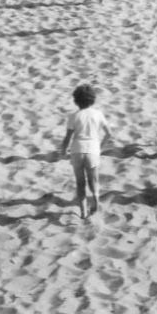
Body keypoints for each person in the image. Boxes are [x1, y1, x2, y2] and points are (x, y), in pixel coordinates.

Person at [59, 83, 115, 219]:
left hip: (77, 150)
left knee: (80, 183)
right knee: (93, 180)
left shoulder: (74, 116)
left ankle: (83, 211)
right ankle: (95, 199)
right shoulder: (98, 114)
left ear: (76, 100)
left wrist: (63, 151)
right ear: (92, 99)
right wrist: (100, 147)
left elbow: (68, 137)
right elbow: (109, 134)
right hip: (92, 150)